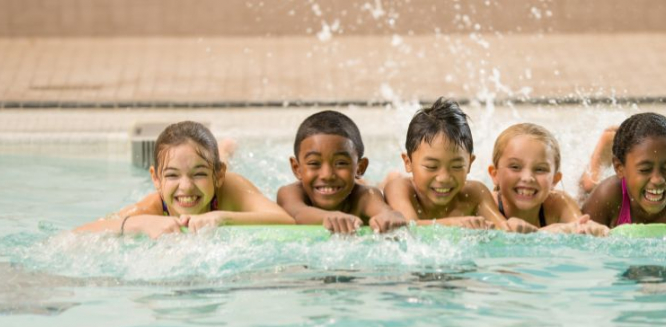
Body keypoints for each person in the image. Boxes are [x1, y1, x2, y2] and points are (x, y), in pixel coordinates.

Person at [77, 121, 293, 238]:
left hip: (222, 180)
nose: (186, 187)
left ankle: (224, 150)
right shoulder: (152, 207)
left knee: (220, 158)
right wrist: (140, 224)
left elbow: (286, 221)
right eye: (171, 175)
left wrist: (223, 217)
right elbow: (80, 233)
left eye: (198, 174)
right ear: (155, 178)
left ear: (218, 175)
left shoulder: (230, 186)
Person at [385, 98, 524, 231]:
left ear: (469, 163)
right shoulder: (399, 188)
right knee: (392, 179)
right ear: (408, 162)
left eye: (457, 166)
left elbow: (502, 228)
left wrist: (514, 226)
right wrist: (454, 223)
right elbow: (409, 227)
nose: (444, 178)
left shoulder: (475, 194)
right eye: (432, 167)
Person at [581, 112, 666, 229]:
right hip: (608, 193)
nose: (658, 179)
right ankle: (603, 150)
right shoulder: (606, 196)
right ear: (619, 167)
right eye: (645, 169)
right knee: (589, 187)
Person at [276, 110, 407, 234]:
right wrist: (329, 217)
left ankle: (388, 181)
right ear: (296, 168)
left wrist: (391, 216)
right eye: (314, 163)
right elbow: (298, 213)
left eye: (341, 163)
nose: (327, 175)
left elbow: (385, 212)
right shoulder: (290, 193)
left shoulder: (364, 195)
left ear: (360, 168)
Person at [487, 123, 609, 236]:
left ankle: (592, 173)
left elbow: (582, 228)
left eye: (540, 169)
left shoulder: (558, 203)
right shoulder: (487, 205)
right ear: (495, 175)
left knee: (588, 199)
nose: (528, 178)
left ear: (555, 180)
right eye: (515, 167)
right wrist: (558, 229)